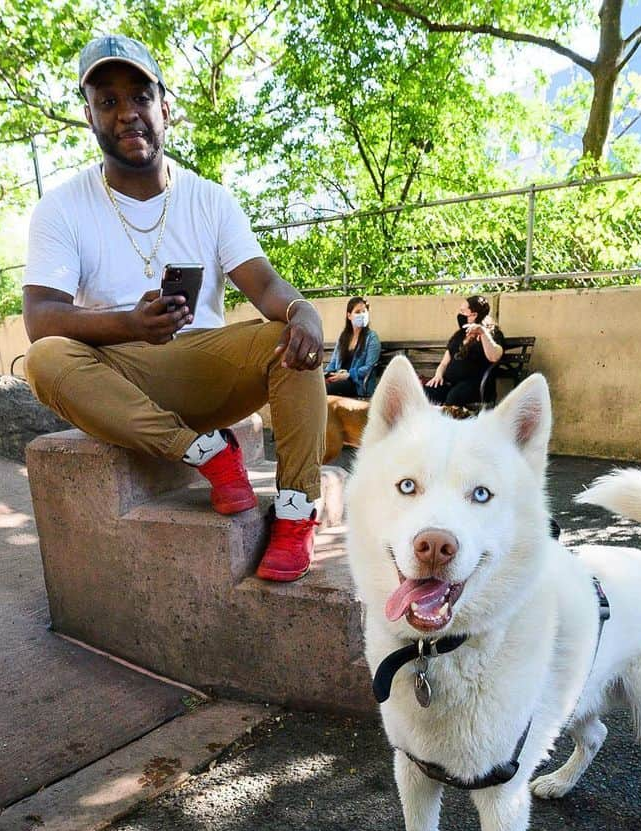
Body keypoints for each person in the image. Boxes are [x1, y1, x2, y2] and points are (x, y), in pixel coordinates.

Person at [21, 34, 326, 582]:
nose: (126, 114)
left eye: (139, 97)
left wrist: (302, 310)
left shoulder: (210, 199)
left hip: (204, 368)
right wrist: (127, 324)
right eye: (107, 101)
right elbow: (40, 316)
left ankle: (296, 512)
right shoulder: (61, 207)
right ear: (89, 115)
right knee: (44, 358)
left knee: (293, 343)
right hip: (118, 374)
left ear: (165, 108)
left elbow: (263, 284)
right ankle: (207, 453)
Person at [424, 295, 505, 407]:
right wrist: (438, 375)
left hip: (476, 385)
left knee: (455, 396)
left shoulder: (491, 333)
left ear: (474, 315)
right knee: (428, 392)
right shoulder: (460, 335)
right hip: (451, 383)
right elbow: (444, 363)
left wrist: (482, 333)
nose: (460, 314)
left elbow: (495, 356)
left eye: (463, 311)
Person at [324, 296, 381, 398]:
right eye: (358, 312)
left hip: (357, 384)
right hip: (339, 379)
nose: (362, 315)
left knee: (327, 389)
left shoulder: (372, 338)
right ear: (349, 315)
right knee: (319, 386)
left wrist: (348, 375)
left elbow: (369, 368)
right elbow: (333, 363)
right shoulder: (344, 337)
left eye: (364, 311)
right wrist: (327, 375)